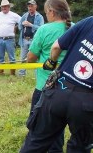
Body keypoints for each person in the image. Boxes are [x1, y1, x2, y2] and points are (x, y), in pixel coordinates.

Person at [20, 14, 93, 153]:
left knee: (36, 142)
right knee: (80, 147)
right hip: (87, 103)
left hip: (58, 90)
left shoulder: (90, 21)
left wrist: (51, 62)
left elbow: (56, 47)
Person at [23, 0, 72, 152]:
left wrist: (29, 57)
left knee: (37, 132)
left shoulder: (44, 29)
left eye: (46, 12)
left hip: (45, 89)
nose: (46, 15)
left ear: (51, 11)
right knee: (58, 130)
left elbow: (31, 58)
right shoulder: (76, 27)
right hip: (69, 91)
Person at [0, 0, 21, 75]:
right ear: (1, 7)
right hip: (0, 39)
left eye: (5, 6)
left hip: (10, 39)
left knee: (12, 57)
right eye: (3, 7)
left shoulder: (14, 15)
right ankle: (1, 72)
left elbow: (21, 22)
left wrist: (15, 27)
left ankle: (12, 73)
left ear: (9, 7)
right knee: (0, 56)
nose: (4, 8)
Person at [17, 0, 44, 76]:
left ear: (35, 6)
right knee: (23, 58)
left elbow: (41, 29)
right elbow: (19, 26)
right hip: (24, 39)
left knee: (35, 58)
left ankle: (37, 75)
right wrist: (22, 25)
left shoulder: (39, 17)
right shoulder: (25, 15)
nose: (30, 8)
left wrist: (31, 25)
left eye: (31, 6)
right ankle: (21, 75)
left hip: (34, 40)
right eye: (29, 6)